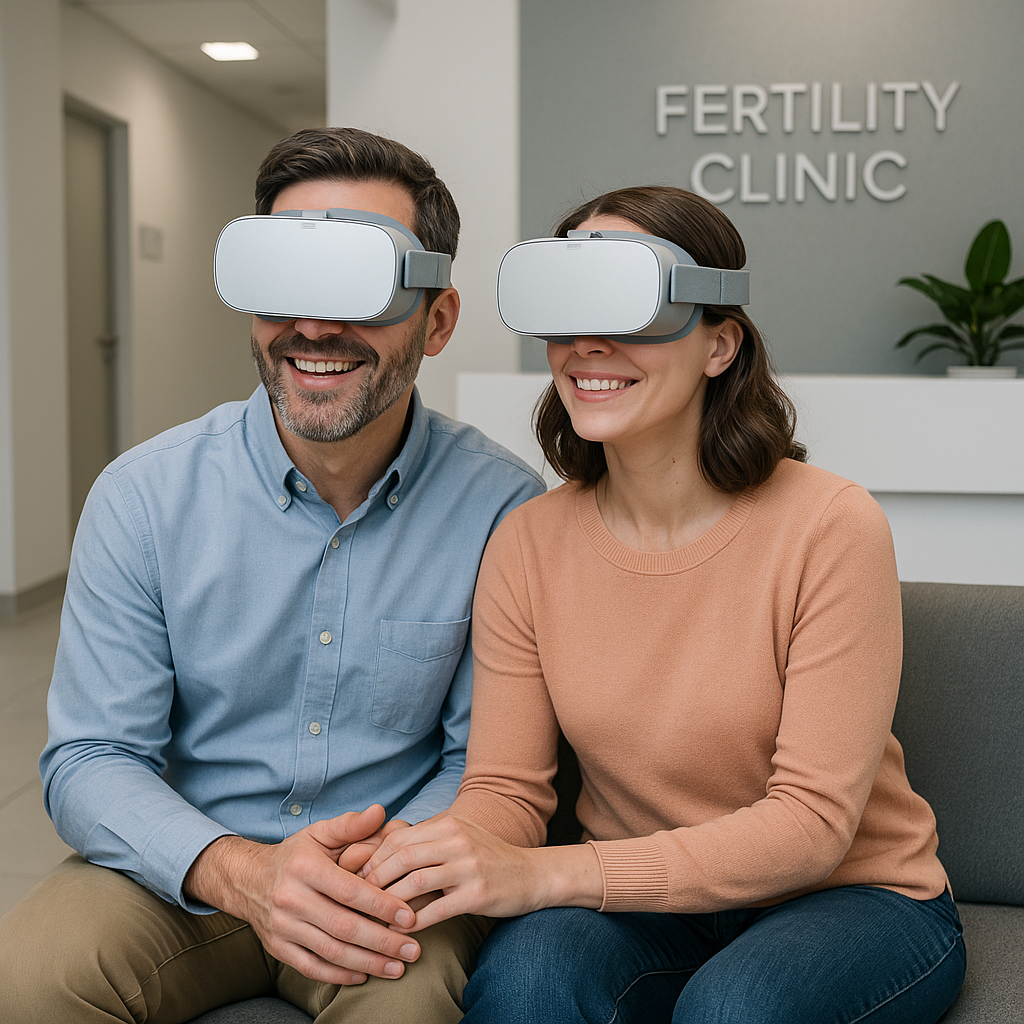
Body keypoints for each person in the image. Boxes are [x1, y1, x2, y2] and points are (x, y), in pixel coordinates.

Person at [360, 185, 967, 1024]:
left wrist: (549, 876)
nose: (587, 346)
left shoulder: (831, 524)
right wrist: (430, 853)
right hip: (645, 904)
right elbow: (507, 786)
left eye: (631, 306)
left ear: (720, 343)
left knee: (735, 1009)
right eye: (568, 313)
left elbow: (811, 825)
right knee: (523, 986)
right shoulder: (528, 542)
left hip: (854, 897)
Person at [0, 127, 543, 1023]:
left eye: (360, 288)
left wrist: (375, 870)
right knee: (24, 976)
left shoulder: (504, 513)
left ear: (437, 320)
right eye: (285, 284)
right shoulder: (143, 497)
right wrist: (243, 871)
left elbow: (482, 763)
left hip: (387, 879)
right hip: (188, 873)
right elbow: (92, 757)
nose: (314, 327)